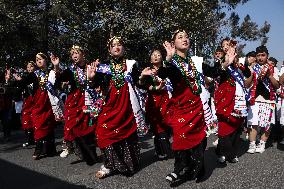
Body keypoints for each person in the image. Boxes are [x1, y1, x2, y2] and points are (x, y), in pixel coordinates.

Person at [161, 30, 214, 184]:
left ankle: (198, 169)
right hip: (180, 107)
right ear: (173, 43)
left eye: (186, 37)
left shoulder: (196, 61)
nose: (184, 39)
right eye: (180, 37)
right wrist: (168, 60)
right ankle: (179, 168)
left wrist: (225, 62)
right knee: (180, 136)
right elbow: (164, 73)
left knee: (198, 139)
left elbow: (213, 71)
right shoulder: (172, 62)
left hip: (197, 106)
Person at [92, 36, 142, 179]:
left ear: (123, 48)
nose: (116, 47)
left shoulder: (131, 64)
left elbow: (139, 82)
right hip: (110, 105)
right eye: (113, 45)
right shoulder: (103, 65)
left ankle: (126, 163)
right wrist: (92, 77)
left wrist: (143, 77)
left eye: (119, 44)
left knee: (126, 133)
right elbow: (95, 84)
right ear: (109, 50)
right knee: (103, 132)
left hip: (127, 103)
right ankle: (109, 164)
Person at [52, 45, 98, 165]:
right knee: (73, 124)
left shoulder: (91, 67)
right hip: (75, 101)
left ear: (83, 54)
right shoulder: (71, 69)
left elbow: (98, 81)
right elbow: (59, 80)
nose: (74, 56)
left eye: (77, 53)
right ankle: (72, 146)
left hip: (89, 99)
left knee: (88, 127)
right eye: (72, 54)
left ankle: (92, 154)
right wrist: (56, 65)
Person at [206, 38, 249, 164]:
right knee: (225, 127)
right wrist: (227, 62)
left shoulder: (239, 60)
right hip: (226, 97)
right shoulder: (220, 61)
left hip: (239, 96)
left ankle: (231, 153)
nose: (225, 47)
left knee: (236, 127)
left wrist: (237, 62)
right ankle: (221, 151)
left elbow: (247, 73)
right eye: (223, 45)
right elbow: (215, 73)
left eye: (228, 45)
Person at [15, 53, 58, 159]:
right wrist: (15, 81)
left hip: (49, 103)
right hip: (38, 104)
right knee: (38, 124)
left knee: (49, 125)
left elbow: (59, 79)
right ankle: (38, 148)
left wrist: (56, 65)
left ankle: (50, 149)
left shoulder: (51, 72)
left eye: (40, 59)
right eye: (37, 59)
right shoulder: (34, 74)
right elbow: (23, 82)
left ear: (45, 60)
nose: (38, 61)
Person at [139, 48, 172, 160]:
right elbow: (144, 85)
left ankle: (164, 147)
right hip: (154, 100)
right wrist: (156, 88)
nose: (156, 56)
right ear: (150, 59)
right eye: (153, 55)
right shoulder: (148, 71)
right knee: (157, 125)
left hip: (166, 99)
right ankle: (160, 149)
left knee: (167, 122)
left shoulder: (166, 69)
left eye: (158, 54)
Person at [246, 46, 280, 154]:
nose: (260, 58)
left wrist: (270, 76)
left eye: (263, 55)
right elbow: (246, 85)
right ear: (256, 57)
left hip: (268, 99)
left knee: (267, 123)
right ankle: (252, 144)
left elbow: (277, 86)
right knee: (253, 122)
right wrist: (251, 74)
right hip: (255, 99)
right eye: (258, 55)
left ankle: (262, 143)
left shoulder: (273, 68)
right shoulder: (252, 68)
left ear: (267, 56)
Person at [21, 61, 36, 147]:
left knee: (33, 119)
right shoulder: (27, 77)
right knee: (26, 119)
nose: (29, 68)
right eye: (28, 67)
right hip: (27, 100)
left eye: (31, 67)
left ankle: (34, 139)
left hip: (34, 100)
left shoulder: (36, 76)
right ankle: (30, 139)